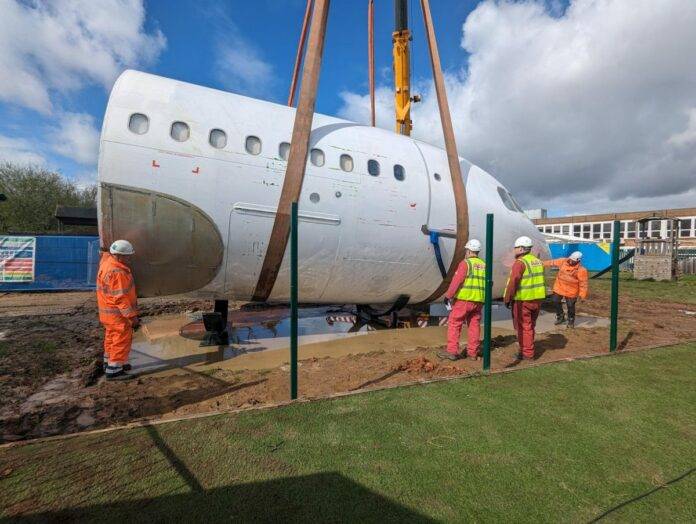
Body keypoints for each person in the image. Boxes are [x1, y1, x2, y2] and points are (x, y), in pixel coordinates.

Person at [96, 239, 139, 380]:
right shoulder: (118, 272)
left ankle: (109, 362)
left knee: (111, 337)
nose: (129, 258)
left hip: (107, 313)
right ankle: (114, 370)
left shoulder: (107, 262)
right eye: (127, 256)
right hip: (118, 314)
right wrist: (132, 317)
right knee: (121, 339)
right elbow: (121, 298)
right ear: (118, 255)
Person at [438, 239, 486, 361]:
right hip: (478, 301)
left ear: (469, 251)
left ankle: (452, 351)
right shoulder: (484, 265)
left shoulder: (465, 264)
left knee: (454, 324)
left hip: (464, 300)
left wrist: (448, 296)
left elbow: (457, 281)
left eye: (466, 250)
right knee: (474, 327)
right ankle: (472, 353)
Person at [503, 236, 546, 360]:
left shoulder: (520, 263)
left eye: (515, 248)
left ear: (521, 249)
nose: (514, 250)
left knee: (524, 327)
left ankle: (527, 353)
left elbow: (513, 282)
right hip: (537, 299)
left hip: (523, 301)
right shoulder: (537, 261)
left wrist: (507, 298)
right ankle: (527, 349)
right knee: (530, 326)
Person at [543, 250, 588, 328]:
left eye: (573, 261)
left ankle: (571, 320)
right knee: (555, 301)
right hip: (559, 287)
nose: (570, 261)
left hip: (571, 291)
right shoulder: (563, 261)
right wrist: (541, 263)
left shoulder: (581, 270)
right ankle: (560, 316)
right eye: (570, 259)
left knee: (570, 306)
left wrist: (582, 295)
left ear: (578, 261)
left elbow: (583, 284)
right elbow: (552, 262)